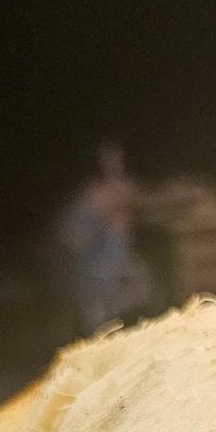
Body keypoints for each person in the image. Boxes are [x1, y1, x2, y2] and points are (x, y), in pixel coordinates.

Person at [54, 138, 152, 335]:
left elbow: (140, 201)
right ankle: (101, 320)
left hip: (106, 260)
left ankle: (110, 318)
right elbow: (74, 240)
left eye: (117, 158)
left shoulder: (119, 188)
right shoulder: (95, 193)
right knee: (134, 283)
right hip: (92, 265)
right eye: (109, 159)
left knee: (142, 284)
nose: (115, 163)